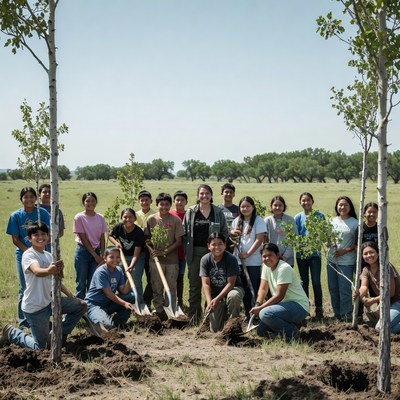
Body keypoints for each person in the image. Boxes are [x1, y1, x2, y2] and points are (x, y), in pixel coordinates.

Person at [1, 222, 86, 349]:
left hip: (50, 302)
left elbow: (56, 280)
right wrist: (49, 270)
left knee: (81, 306)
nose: (40, 237)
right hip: (35, 307)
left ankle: (59, 334)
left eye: (43, 234)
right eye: (36, 235)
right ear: (29, 238)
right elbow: (36, 271)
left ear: (48, 236)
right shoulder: (28, 255)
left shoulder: (49, 255)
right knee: (41, 347)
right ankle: (13, 333)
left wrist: (70, 295)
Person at [6, 187, 51, 328]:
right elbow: (15, 239)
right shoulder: (15, 216)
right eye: (26, 196)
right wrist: (30, 253)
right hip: (23, 254)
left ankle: (43, 317)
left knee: (45, 284)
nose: (29, 199)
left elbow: (47, 235)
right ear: (21, 199)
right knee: (24, 287)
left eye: (32, 196)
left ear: (36, 198)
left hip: (43, 253)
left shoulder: (42, 213)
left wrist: (38, 252)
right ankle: (23, 322)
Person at [183, 184, 228, 323]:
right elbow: (184, 233)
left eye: (207, 193)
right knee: (195, 286)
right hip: (195, 253)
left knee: (213, 285)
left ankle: (210, 317)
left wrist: (219, 248)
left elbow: (225, 232)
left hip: (214, 254)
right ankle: (194, 318)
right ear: (198, 196)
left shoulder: (218, 212)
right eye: (202, 193)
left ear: (211, 195)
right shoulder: (191, 212)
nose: (204, 196)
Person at [250, 243, 309, 340]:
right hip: (284, 306)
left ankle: (292, 332)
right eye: (264, 256)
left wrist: (261, 308)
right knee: (261, 331)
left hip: (298, 306)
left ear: (277, 255)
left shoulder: (284, 268)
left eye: (270, 255)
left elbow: (279, 296)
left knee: (265, 314)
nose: (267, 259)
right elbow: (263, 289)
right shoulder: (266, 267)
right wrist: (257, 304)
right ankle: (293, 323)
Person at [145, 193, 184, 320]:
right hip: (155, 260)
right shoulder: (151, 219)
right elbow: (147, 238)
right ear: (157, 205)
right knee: (157, 286)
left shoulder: (175, 220)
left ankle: (170, 310)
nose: (164, 207)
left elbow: (178, 242)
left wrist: (164, 252)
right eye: (161, 204)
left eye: (167, 204)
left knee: (171, 286)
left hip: (172, 261)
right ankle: (159, 310)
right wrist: (152, 247)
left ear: (170, 205)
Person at [200, 232, 244, 332]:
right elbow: (205, 284)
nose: (217, 247)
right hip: (216, 293)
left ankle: (234, 325)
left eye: (220, 244)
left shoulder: (231, 259)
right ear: (208, 246)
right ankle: (223, 314)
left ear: (225, 245)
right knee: (215, 329)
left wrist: (217, 299)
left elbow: (230, 284)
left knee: (233, 296)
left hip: (233, 289)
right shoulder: (205, 260)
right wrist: (209, 301)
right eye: (213, 244)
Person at [231, 196, 266, 320]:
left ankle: (255, 313)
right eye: (242, 207)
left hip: (253, 261)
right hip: (238, 261)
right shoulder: (236, 221)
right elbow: (233, 238)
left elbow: (259, 239)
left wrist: (247, 254)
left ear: (253, 207)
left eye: (247, 206)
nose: (245, 209)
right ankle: (247, 313)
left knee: (254, 287)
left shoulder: (258, 221)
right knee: (244, 288)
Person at [354, 241, 400, 333]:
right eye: (365, 254)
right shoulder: (366, 270)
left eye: (371, 252)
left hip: (397, 302)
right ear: (362, 256)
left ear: (378, 253)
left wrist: (373, 300)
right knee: (385, 328)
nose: (369, 255)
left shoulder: (386, 267)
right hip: (387, 303)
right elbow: (364, 287)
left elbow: (390, 293)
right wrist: (358, 295)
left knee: (380, 328)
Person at [85, 247, 135, 330]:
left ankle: (118, 323)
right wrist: (124, 303)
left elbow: (124, 291)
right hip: (95, 305)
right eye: (111, 257)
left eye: (118, 257)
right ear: (105, 258)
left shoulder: (119, 270)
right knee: (107, 326)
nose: (115, 260)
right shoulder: (101, 272)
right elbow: (108, 294)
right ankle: (93, 318)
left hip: (108, 303)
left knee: (131, 297)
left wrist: (129, 278)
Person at [294, 192, 325, 320]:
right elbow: (295, 235)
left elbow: (324, 234)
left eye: (308, 200)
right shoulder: (297, 217)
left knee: (316, 282)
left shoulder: (319, 216)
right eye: (303, 201)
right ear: (300, 202)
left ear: (313, 201)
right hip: (301, 255)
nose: (306, 203)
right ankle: (304, 309)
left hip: (315, 255)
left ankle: (319, 309)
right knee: (303, 282)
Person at [327, 195, 358, 322]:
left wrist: (345, 250)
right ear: (336, 207)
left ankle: (346, 315)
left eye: (345, 205)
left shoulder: (355, 223)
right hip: (331, 260)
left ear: (350, 207)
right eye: (340, 205)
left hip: (347, 261)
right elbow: (327, 238)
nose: (342, 207)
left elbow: (357, 243)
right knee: (333, 288)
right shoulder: (331, 221)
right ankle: (337, 314)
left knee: (344, 289)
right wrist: (330, 243)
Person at [73, 192, 108, 299]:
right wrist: (95, 255)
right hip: (83, 252)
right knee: (81, 282)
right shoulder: (79, 217)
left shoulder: (100, 217)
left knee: (94, 281)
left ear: (96, 202)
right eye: (87, 201)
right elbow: (83, 238)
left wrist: (102, 254)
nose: (90, 203)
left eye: (93, 201)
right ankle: (79, 308)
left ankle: (90, 306)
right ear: (83, 203)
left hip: (97, 252)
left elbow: (102, 237)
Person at [109, 208, 145, 305]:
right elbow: (110, 236)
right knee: (122, 279)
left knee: (135, 279)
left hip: (137, 257)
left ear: (135, 218)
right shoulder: (118, 227)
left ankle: (139, 303)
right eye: (125, 217)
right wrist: (116, 243)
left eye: (130, 217)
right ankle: (126, 303)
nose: (128, 219)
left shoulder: (139, 232)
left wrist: (131, 266)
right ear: (121, 218)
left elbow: (136, 254)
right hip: (123, 257)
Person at [135, 190, 156, 309]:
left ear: (151, 201)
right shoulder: (134, 215)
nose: (144, 202)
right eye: (142, 200)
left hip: (150, 250)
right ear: (139, 201)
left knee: (152, 278)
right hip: (136, 250)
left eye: (146, 200)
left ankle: (147, 300)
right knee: (137, 277)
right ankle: (138, 302)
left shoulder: (155, 214)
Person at [264, 195, 298, 267]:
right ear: (271, 206)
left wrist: (284, 257)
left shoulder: (290, 220)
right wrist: (271, 256)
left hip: (287, 259)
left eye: (280, 205)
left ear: (284, 207)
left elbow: (294, 240)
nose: (277, 208)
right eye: (275, 205)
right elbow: (265, 241)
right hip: (271, 259)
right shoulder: (267, 221)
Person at [170, 190, 188, 308]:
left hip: (183, 252)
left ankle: (179, 301)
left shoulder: (188, 215)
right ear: (173, 201)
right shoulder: (170, 213)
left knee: (180, 277)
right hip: (171, 252)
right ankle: (169, 300)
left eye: (182, 200)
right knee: (171, 277)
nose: (179, 202)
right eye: (177, 200)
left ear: (186, 202)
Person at [218, 183, 239, 254]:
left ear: (234, 194)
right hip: (220, 240)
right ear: (222, 193)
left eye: (231, 192)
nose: (228, 194)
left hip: (234, 241)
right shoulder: (217, 209)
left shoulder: (238, 209)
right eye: (226, 192)